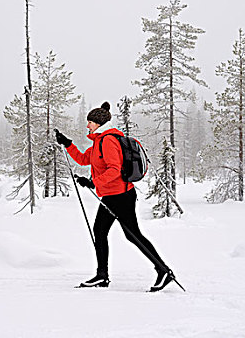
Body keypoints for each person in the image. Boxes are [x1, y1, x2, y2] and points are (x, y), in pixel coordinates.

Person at [55, 101, 176, 292]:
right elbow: (84, 159)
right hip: (111, 195)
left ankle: (163, 271)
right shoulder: (98, 142)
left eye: (90, 122)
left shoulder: (108, 141)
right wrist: (67, 143)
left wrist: (95, 183)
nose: (87, 126)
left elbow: (115, 169)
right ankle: (102, 275)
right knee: (101, 232)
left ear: (98, 123)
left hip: (121, 195)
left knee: (132, 235)